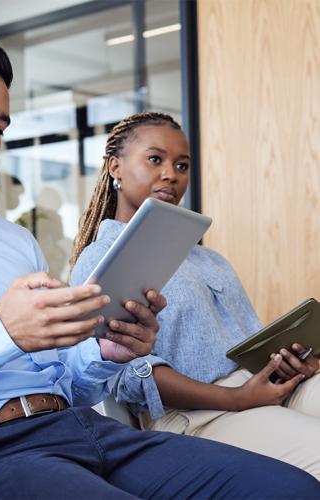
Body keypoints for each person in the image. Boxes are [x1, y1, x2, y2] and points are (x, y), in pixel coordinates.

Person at [0, 39, 320, 498]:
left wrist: (107, 353)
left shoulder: (13, 242)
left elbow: (69, 379)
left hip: (84, 429)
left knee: (291, 488)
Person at [70, 111, 320, 479]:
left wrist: (290, 363)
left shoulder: (208, 258)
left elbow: (246, 343)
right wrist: (236, 399)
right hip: (197, 417)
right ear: (115, 168)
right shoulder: (103, 257)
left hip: (258, 390)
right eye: (155, 159)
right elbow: (124, 375)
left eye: (182, 164)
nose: (171, 174)